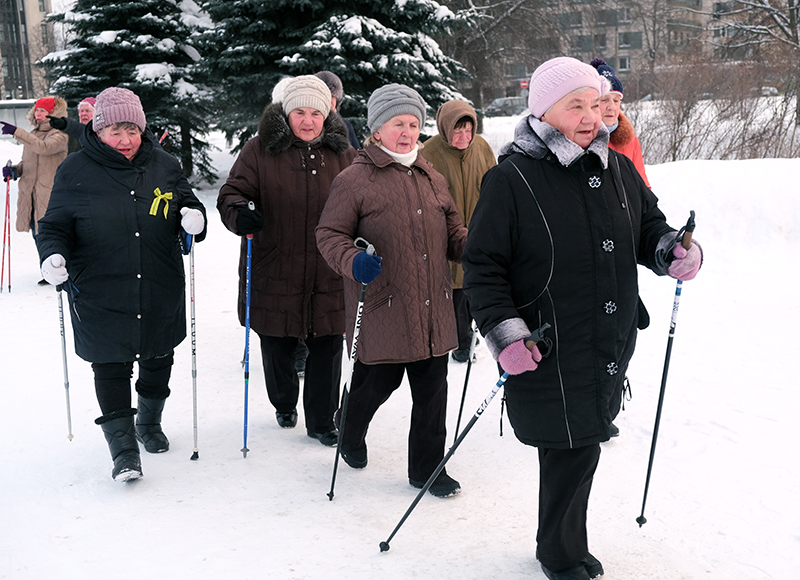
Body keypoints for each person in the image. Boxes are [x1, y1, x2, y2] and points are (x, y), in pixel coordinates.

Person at [461, 57, 702, 579]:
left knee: (582, 445)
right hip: (549, 341)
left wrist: (671, 251)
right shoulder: (513, 177)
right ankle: (560, 554)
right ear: (545, 111)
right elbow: (482, 266)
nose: (592, 115)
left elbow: (648, 226)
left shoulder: (614, 166)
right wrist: (506, 335)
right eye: (577, 106)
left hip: (605, 338)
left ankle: (566, 545)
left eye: (596, 104)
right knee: (570, 450)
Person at [35, 87, 207, 482]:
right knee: (110, 366)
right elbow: (55, 225)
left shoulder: (163, 164)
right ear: (98, 131)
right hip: (99, 286)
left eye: (132, 129)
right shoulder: (75, 170)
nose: (126, 140)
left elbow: (187, 201)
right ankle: (124, 450)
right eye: (115, 130)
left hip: (159, 282)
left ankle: (148, 424)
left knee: (158, 357)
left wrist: (195, 217)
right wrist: (52, 254)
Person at [316, 84, 468, 498]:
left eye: (413, 124)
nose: (406, 132)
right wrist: (353, 261)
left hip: (433, 305)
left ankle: (427, 469)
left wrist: (472, 246)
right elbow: (329, 235)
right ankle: (349, 429)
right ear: (377, 129)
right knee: (376, 386)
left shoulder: (431, 176)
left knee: (433, 394)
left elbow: (453, 230)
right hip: (384, 306)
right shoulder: (355, 179)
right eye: (397, 123)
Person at [217, 75, 356, 447]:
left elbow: (365, 198)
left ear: (327, 114)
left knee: (327, 345)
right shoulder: (259, 150)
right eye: (299, 112)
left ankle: (323, 421)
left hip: (329, 269)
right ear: (285, 113)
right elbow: (232, 193)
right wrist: (239, 211)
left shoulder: (344, 153)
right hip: (274, 265)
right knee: (277, 342)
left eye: (316, 112)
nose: (308, 121)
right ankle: (283, 401)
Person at [419, 99, 496, 362]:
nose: (464, 136)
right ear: (444, 128)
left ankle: (472, 336)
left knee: (477, 289)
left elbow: (495, 185)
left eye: (468, 130)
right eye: (457, 130)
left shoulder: (482, 148)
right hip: (445, 238)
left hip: (479, 232)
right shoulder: (429, 153)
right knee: (454, 295)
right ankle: (460, 344)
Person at [1, 96, 69, 284]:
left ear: (53, 113)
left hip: (50, 195)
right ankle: (48, 270)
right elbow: (29, 163)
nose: (38, 113)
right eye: (36, 110)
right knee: (37, 234)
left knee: (50, 234)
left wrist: (17, 132)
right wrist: (15, 170)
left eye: (43, 110)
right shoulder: (34, 134)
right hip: (31, 195)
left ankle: (61, 270)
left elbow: (44, 149)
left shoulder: (60, 134)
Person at [590, 58, 650, 188]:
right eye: (604, 99)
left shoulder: (630, 140)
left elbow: (643, 188)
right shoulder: (579, 140)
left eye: (616, 100)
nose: (611, 107)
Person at [314, 70, 361, 149]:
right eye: (324, 96)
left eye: (331, 96)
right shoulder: (307, 125)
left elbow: (357, 156)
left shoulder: (346, 125)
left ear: (337, 99)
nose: (328, 101)